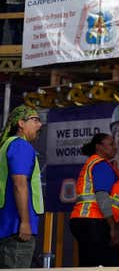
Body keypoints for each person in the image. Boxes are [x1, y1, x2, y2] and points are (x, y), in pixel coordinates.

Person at [70, 133, 119, 267]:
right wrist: (112, 226)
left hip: (83, 219)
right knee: (105, 265)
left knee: (89, 264)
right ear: (99, 147)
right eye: (111, 144)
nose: (115, 148)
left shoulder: (92, 163)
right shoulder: (101, 165)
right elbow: (102, 196)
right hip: (94, 221)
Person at [0, 105, 43, 269]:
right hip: (16, 228)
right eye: (35, 120)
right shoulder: (21, 146)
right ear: (21, 123)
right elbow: (19, 184)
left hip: (6, 226)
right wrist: (25, 222)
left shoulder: (6, 145)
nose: (40, 125)